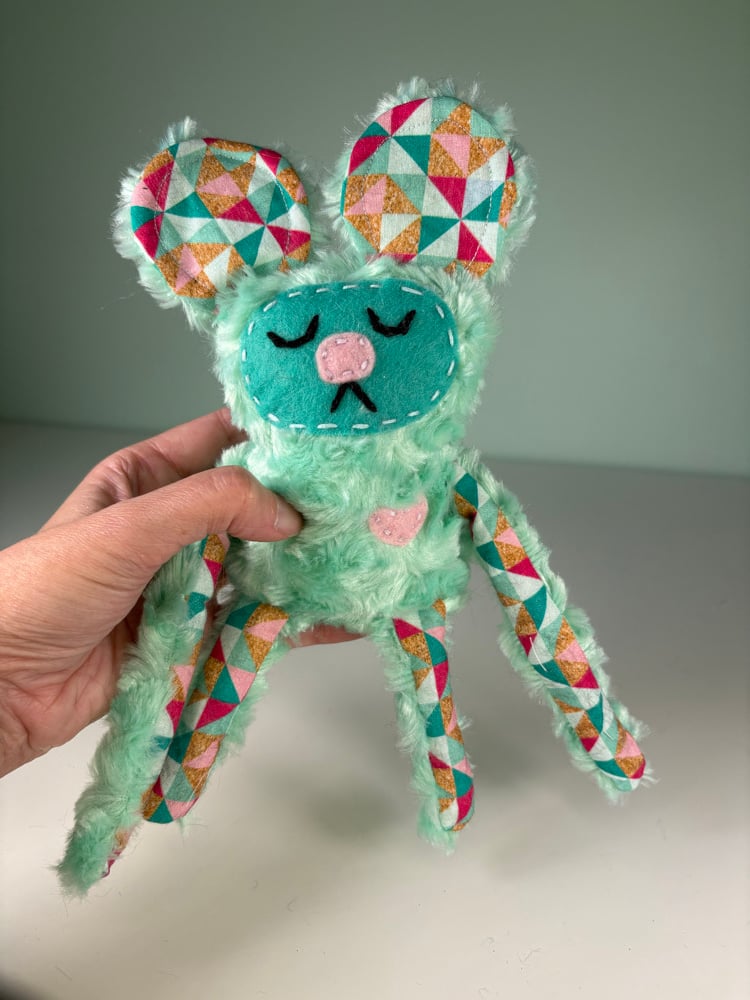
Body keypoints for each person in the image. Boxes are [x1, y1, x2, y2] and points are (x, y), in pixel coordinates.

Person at [0, 409, 355, 778]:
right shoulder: (241, 480)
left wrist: (10, 688)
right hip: (243, 575)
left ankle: (131, 796)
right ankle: (131, 797)